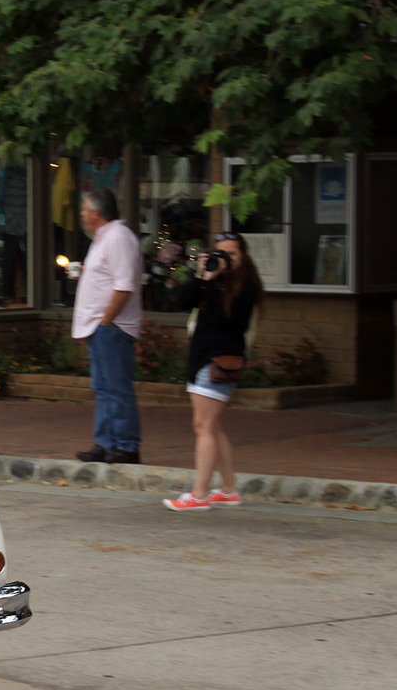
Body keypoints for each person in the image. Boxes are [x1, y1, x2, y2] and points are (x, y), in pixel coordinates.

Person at [164, 232, 263, 512]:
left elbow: (225, 321)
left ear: (243, 256)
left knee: (203, 427)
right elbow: (183, 302)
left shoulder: (246, 286)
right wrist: (201, 276)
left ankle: (198, 495)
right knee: (213, 427)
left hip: (219, 360)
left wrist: (212, 284)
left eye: (232, 254)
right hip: (202, 359)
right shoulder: (212, 280)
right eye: (222, 253)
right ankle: (229, 490)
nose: (226, 259)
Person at [71, 187, 144, 464]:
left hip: (112, 327)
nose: (81, 214)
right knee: (103, 387)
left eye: (84, 209)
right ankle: (106, 442)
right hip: (100, 326)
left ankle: (127, 444)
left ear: (97, 213)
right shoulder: (102, 239)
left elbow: (124, 286)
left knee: (117, 386)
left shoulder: (118, 238)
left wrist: (106, 320)